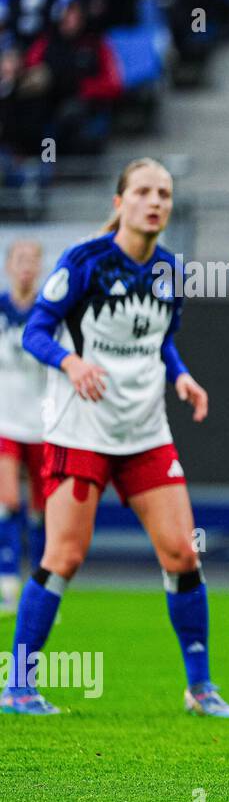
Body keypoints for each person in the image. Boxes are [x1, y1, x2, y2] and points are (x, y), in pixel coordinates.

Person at [2, 158, 229, 717]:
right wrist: (69, 363)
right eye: (142, 191)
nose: (155, 201)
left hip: (144, 431)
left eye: (164, 193)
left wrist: (180, 374)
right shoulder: (84, 262)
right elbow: (36, 330)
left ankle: (200, 687)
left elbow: (159, 340)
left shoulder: (170, 273)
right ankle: (19, 684)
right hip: (80, 429)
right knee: (64, 554)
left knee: (182, 551)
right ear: (119, 202)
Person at [0, 240, 47, 613]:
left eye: (33, 260)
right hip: (6, 421)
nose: (26, 267)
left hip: (44, 424)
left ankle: (43, 586)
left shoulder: (49, 312)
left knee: (40, 509)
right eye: (20, 260)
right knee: (8, 501)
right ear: (8, 266)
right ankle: (7, 580)